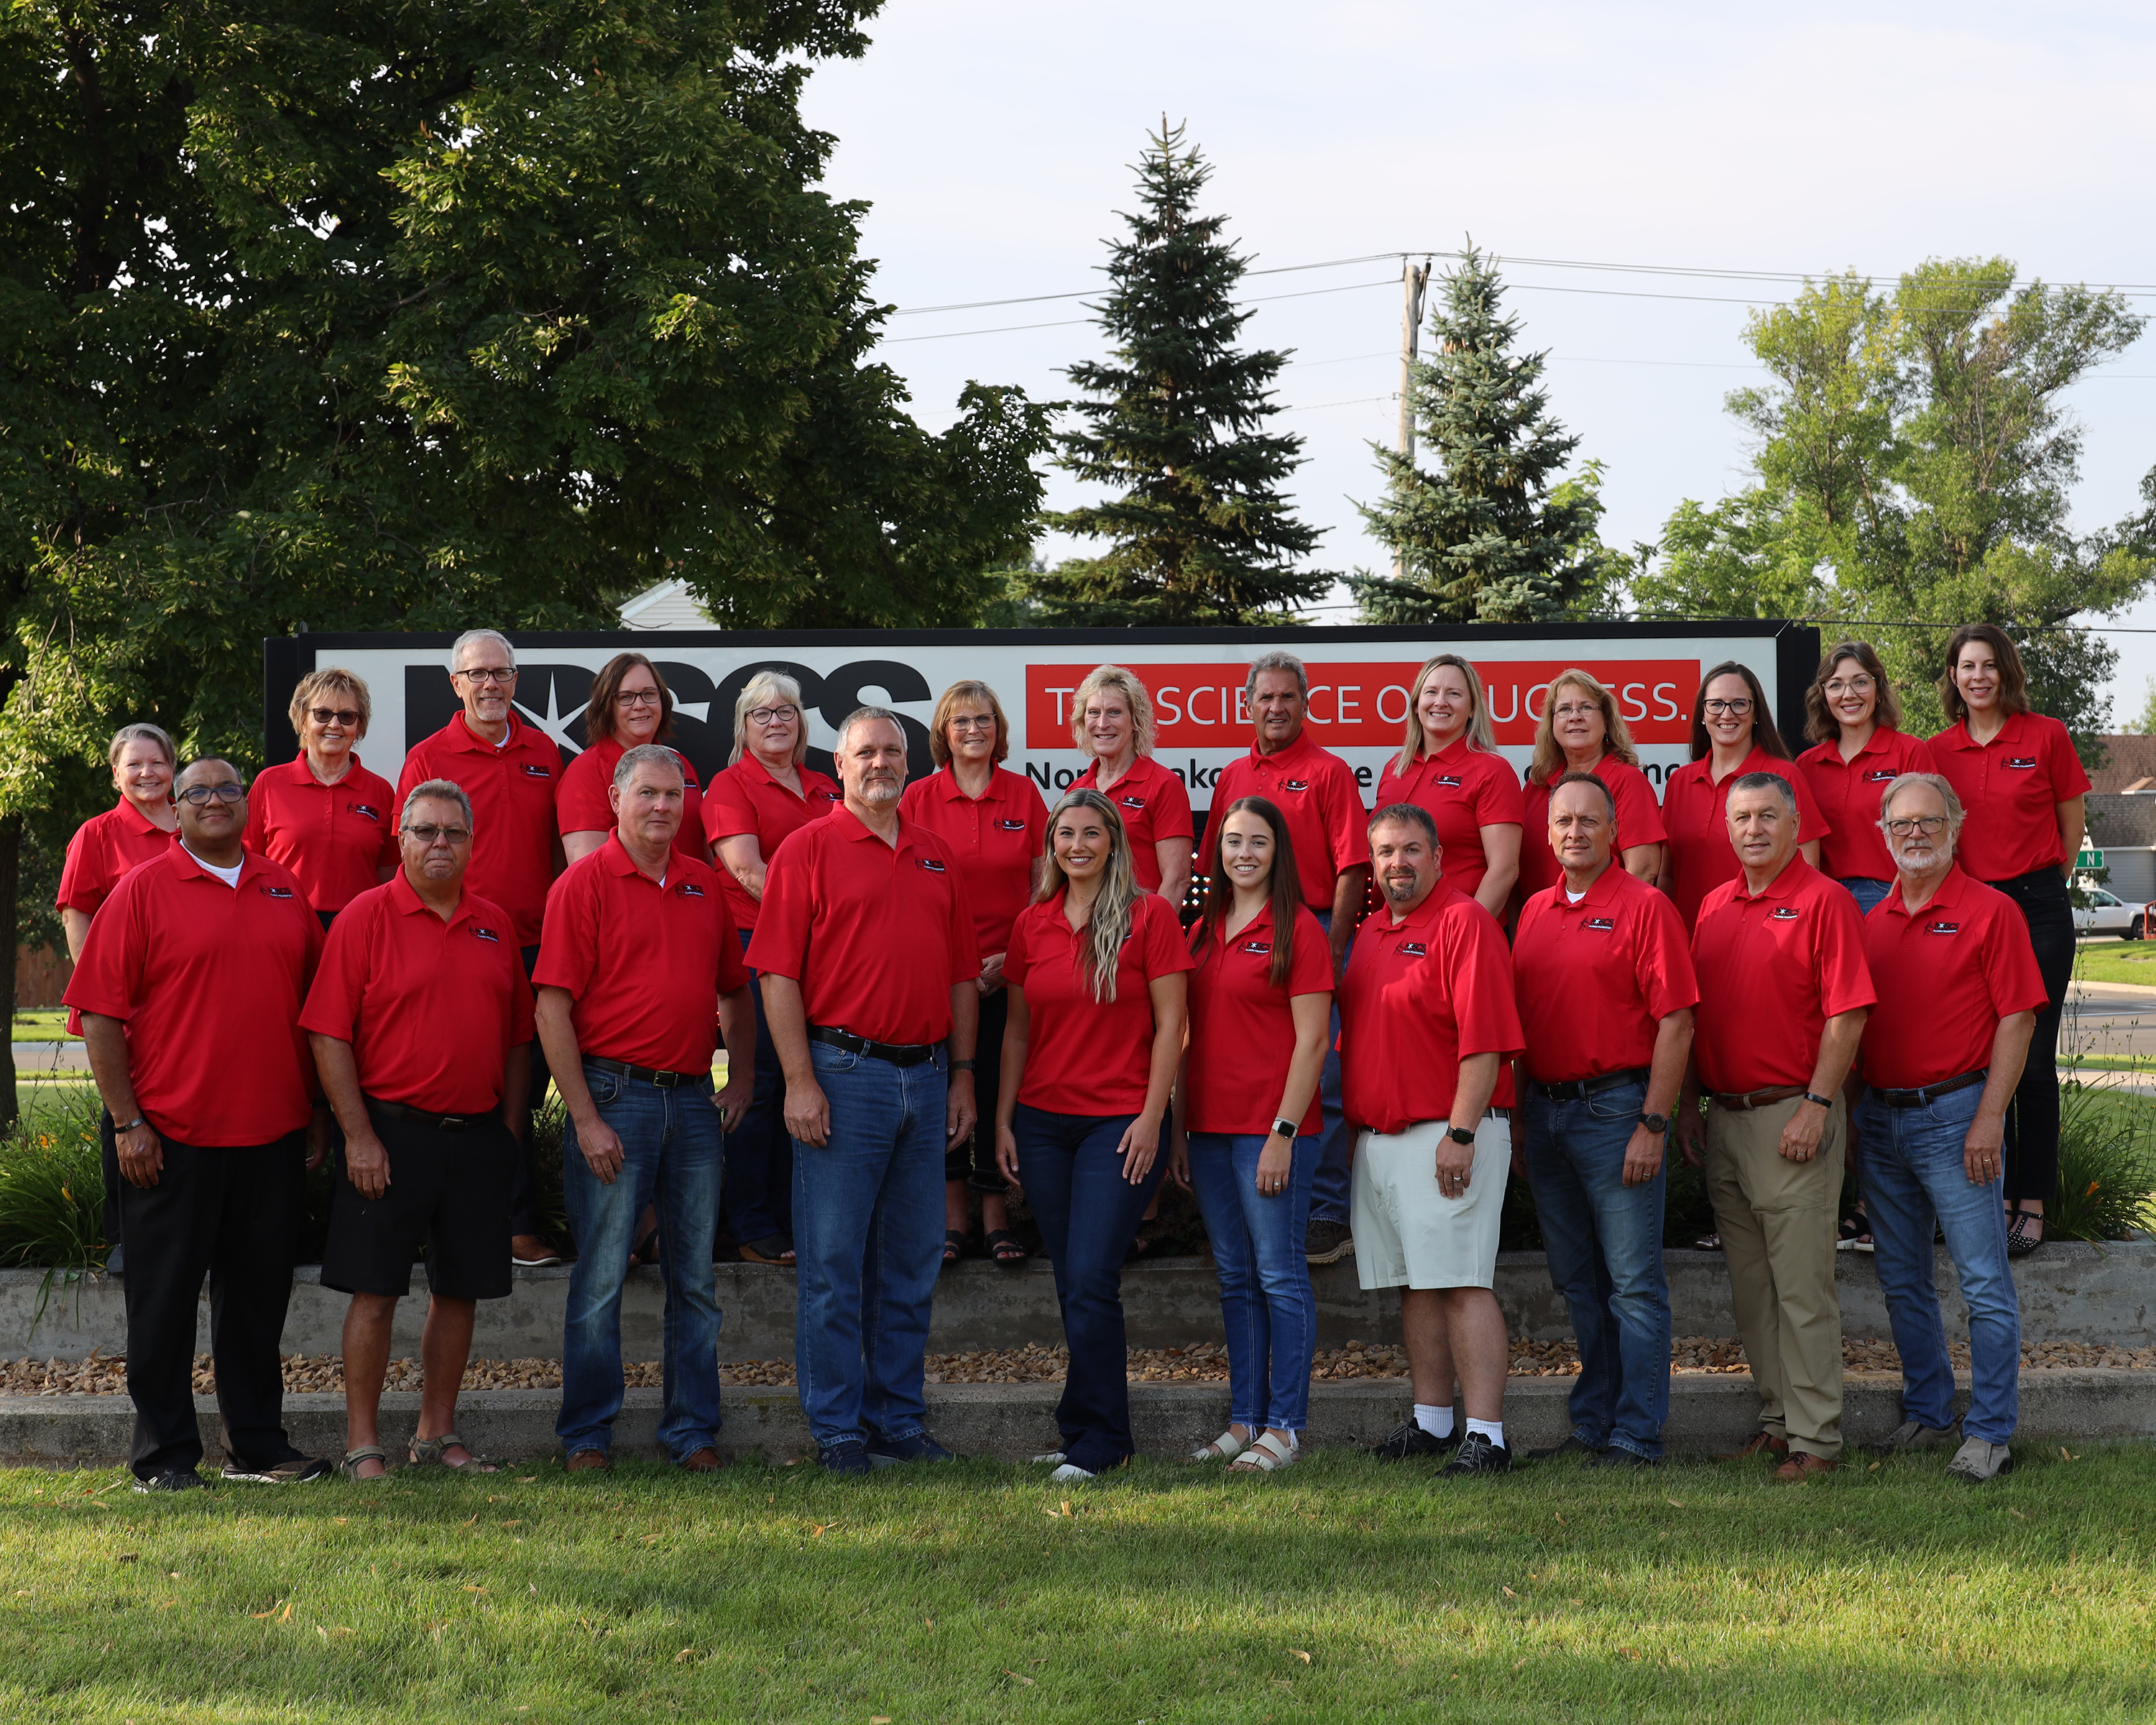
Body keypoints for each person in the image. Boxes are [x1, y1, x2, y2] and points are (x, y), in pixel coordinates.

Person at [65, 758, 332, 1492]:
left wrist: (314, 1110)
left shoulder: (283, 886)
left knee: (255, 1306)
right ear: (174, 811)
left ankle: (256, 1446)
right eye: (197, 793)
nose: (213, 800)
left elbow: (313, 1012)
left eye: (226, 789)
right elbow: (100, 1016)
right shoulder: (142, 891)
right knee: (163, 1304)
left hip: (271, 1136)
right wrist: (127, 1124)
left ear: (246, 804)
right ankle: (164, 1457)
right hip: (170, 1138)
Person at [748, 707, 980, 1476]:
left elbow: (959, 978)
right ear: (838, 767)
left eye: (892, 752)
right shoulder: (806, 851)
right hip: (841, 1079)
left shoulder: (936, 855)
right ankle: (839, 1431)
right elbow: (776, 974)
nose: (880, 763)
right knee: (833, 1266)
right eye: (865, 753)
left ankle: (898, 1421)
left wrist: (964, 1076)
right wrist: (799, 1080)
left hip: (927, 1076)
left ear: (909, 765)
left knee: (911, 1266)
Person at [300, 781, 534, 1481]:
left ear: (472, 842)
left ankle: (437, 1434)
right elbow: (327, 1035)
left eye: (453, 833)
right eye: (425, 831)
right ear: (400, 841)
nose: (440, 844)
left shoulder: (494, 925)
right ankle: (363, 1443)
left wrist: (511, 1133)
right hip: (389, 1136)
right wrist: (359, 1136)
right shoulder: (366, 918)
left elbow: (520, 1039)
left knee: (458, 1291)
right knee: (375, 1292)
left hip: (475, 1139)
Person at [534, 745, 755, 1474]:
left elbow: (733, 990)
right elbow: (552, 1008)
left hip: (693, 1101)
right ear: (617, 800)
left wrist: (744, 1077)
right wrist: (586, 1116)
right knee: (600, 1276)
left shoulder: (702, 884)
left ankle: (692, 1432)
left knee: (694, 1278)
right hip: (615, 1097)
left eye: (673, 795)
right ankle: (587, 1435)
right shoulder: (585, 883)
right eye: (648, 794)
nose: (663, 807)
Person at [1678, 773, 1875, 1481]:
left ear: (1794, 825)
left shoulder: (1824, 903)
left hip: (1793, 1115)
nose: (1753, 829)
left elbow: (1847, 1014)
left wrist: (1818, 1106)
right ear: (1726, 829)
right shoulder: (1711, 907)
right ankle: (1777, 1422)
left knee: (1801, 1289)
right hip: (1727, 1120)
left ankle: (1816, 1440)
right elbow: (1697, 1018)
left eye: (1768, 815)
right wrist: (1690, 1104)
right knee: (1753, 1290)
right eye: (1741, 817)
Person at [995, 789, 1191, 1482]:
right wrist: (1004, 1121)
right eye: (1065, 834)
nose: (1077, 845)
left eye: (1091, 833)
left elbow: (1173, 1025)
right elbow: (1017, 1031)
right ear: (1051, 846)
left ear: (1114, 841)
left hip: (1119, 1122)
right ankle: (1081, 1428)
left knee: (1090, 1277)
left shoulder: (1150, 915)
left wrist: (1151, 1117)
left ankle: (1105, 1440)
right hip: (1044, 1124)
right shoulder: (1033, 924)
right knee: (1072, 1283)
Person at [1856, 772, 2045, 1485]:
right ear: (1883, 834)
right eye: (1900, 824)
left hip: (1958, 1117)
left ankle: (1990, 1431)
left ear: (1956, 827)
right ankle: (1931, 1410)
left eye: (1928, 822)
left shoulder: (1990, 912)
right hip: (1881, 1120)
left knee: (1984, 1284)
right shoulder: (1870, 922)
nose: (1914, 834)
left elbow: (2018, 1018)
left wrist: (1990, 1118)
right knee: (1902, 1281)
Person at [1511, 773, 1697, 1468]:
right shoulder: (1532, 911)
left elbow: (1676, 1022)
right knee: (1578, 1281)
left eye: (1590, 820)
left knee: (1633, 1284)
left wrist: (1654, 1121)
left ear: (1615, 833)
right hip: (1548, 1112)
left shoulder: (1645, 907)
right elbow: (1523, 1026)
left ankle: (1636, 1434)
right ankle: (1592, 1424)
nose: (1575, 831)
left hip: (1617, 1110)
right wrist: (1524, 1121)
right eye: (1563, 820)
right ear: (1549, 832)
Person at [1339, 803, 1524, 1476]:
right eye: (1385, 853)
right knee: (1415, 1284)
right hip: (1384, 1140)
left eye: (1412, 850)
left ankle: (1488, 1436)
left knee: (1462, 1282)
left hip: (1446, 1134)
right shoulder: (1372, 934)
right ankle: (1433, 1421)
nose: (1398, 864)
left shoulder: (1464, 921)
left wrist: (1460, 1131)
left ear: (1440, 857)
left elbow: (1486, 1043)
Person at [1171, 795, 1331, 1474]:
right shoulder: (1201, 929)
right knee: (1235, 1278)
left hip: (1270, 1132)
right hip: (1208, 1131)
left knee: (1279, 1276)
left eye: (1257, 842)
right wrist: (1179, 1129)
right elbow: (1182, 1036)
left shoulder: (1299, 930)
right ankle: (1245, 1420)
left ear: (1278, 852)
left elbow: (1314, 1039)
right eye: (1232, 841)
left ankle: (1287, 1429)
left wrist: (1283, 1133)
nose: (1243, 853)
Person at [397, 628, 566, 1269]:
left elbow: (556, 851)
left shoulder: (543, 753)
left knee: (522, 1092)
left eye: (500, 673)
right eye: (477, 674)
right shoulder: (428, 756)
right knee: (453, 1085)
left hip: (532, 948)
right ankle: (439, 1221)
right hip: (455, 944)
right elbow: (408, 856)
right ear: (456, 684)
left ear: (515, 681)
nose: (490, 684)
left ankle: (513, 1221)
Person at [1201, 651, 1368, 1269]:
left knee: (1321, 1074)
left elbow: (1353, 866)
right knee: (1254, 1068)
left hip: (1313, 929)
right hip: (1241, 930)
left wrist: (1332, 946)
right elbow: (1212, 869)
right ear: (1248, 705)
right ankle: (1249, 1205)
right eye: (1265, 698)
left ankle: (1326, 1211)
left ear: (1305, 704)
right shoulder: (1230, 775)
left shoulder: (1329, 771)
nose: (1276, 708)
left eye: (1287, 698)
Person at [1926, 623, 2088, 1258]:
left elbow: (2070, 826)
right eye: (1967, 667)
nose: (1978, 677)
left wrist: (2037, 885)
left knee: (2034, 1063)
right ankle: (1987, 1196)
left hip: (2039, 907)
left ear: (2007, 672)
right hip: (1971, 911)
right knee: (1982, 1062)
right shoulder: (1938, 751)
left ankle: (2031, 1203)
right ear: (1954, 678)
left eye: (1989, 665)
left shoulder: (2045, 734)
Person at [1793, 640, 1938, 1252]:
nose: (1847, 693)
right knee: (1840, 1060)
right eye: (1835, 684)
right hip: (1831, 909)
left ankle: (1888, 1207)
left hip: (1893, 905)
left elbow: (1932, 833)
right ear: (1822, 696)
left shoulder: (1909, 753)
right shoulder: (1807, 765)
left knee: (1888, 1055)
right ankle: (1848, 1201)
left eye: (1859, 682)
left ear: (1879, 688)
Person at [898, 680, 1047, 1267]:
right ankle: (951, 1220)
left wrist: (1009, 959)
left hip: (1009, 974)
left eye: (984, 720)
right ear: (944, 732)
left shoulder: (1024, 797)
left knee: (994, 1090)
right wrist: (954, 964)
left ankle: (995, 1219)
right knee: (942, 1090)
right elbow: (904, 888)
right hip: (939, 975)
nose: (974, 731)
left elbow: (1044, 889)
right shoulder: (916, 799)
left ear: (998, 729)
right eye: (961, 722)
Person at [703, 669, 844, 1266]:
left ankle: (794, 1220)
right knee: (759, 1085)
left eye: (786, 710)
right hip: (755, 945)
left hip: (823, 955)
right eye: (762, 713)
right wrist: (826, 920)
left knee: (809, 1083)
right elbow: (747, 871)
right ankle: (749, 1226)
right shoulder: (731, 785)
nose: (776, 721)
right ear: (744, 726)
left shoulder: (826, 787)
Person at [57, 722, 180, 1278]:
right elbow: (76, 912)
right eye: (135, 765)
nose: (148, 773)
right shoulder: (98, 834)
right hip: (124, 1003)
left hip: (187, 999)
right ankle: (125, 1239)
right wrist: (101, 988)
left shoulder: (196, 822)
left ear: (173, 767)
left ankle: (184, 1228)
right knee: (125, 1113)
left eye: (157, 762)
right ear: (115, 773)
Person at [1659, 661, 1828, 931]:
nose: (1727, 714)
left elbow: (1808, 868)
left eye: (1739, 703)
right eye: (1715, 704)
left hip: (1766, 937)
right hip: (1690, 938)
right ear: (1703, 713)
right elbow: (1668, 876)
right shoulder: (1680, 782)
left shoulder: (1784, 775)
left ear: (1756, 712)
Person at [244, 667, 400, 928]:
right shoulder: (270, 784)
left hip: (360, 928)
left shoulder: (381, 791)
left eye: (347, 716)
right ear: (303, 721)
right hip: (285, 924)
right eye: (323, 714)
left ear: (359, 726)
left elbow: (389, 875)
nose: (334, 724)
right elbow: (247, 863)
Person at [1373, 654, 1524, 919]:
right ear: (1417, 703)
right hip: (1393, 933)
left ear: (1473, 709)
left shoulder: (1492, 771)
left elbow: (1504, 869)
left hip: (1454, 936)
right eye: (1431, 692)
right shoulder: (1394, 768)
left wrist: (1465, 931)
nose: (1440, 702)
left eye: (1453, 694)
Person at [1516, 669, 1667, 906]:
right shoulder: (1536, 787)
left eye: (1586, 708)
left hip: (1604, 930)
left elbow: (1643, 869)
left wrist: (1602, 923)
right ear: (1552, 725)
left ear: (1606, 721)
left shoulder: (1627, 781)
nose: (1575, 717)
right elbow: (1518, 873)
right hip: (1541, 926)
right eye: (1564, 709)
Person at [558, 653, 706, 866]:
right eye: (626, 697)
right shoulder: (586, 772)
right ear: (607, 706)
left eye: (649, 694)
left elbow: (702, 850)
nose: (639, 705)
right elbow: (588, 872)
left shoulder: (680, 764)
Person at [1069, 665, 1194, 906]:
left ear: (1135, 720)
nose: (1102, 723)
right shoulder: (1076, 791)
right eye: (1094, 712)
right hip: (1087, 933)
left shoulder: (1164, 785)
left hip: (1140, 934)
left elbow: (1177, 879)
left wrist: (1150, 935)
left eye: (1114, 712)